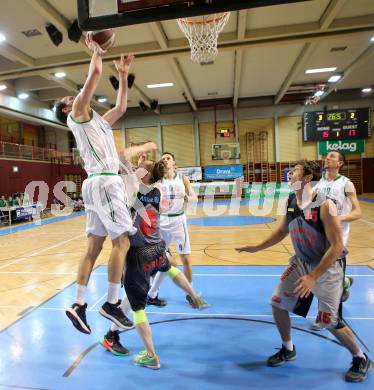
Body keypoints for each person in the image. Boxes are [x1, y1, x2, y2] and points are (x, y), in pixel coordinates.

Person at [236, 160, 373, 383]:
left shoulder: (324, 205)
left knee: (328, 320)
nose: (289, 174)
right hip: (301, 261)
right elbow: (281, 232)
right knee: (277, 302)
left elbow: (337, 246)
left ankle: (360, 357)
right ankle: (288, 348)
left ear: (308, 178)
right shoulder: (291, 200)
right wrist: (256, 248)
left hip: (327, 265)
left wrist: (313, 276)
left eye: (295, 171)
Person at [55, 33, 137, 334]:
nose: (72, 97)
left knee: (93, 247)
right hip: (105, 182)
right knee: (122, 242)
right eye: (67, 99)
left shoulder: (97, 121)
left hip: (95, 183)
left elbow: (121, 108)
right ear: (66, 109)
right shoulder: (77, 112)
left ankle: (78, 304)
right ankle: (112, 303)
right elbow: (95, 73)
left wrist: (124, 76)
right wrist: (96, 50)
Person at [100, 159, 207, 369]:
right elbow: (136, 178)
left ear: (146, 172)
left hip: (139, 254)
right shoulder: (157, 189)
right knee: (168, 269)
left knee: (136, 306)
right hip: (156, 247)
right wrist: (139, 166)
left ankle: (147, 353)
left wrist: (132, 165)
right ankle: (195, 297)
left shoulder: (135, 187)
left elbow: (124, 167)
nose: (137, 165)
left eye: (142, 165)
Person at [310, 151, 361, 330]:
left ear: (340, 163)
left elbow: (357, 212)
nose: (327, 158)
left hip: (337, 238)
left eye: (332, 156)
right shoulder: (319, 183)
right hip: (319, 238)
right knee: (320, 276)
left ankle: (331, 316)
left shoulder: (346, 183)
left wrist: (337, 219)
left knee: (330, 279)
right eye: (327, 156)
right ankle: (345, 283)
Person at [146, 151, 198, 307]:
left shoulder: (183, 179)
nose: (165, 160)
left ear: (174, 163)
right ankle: (152, 294)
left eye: (168, 158)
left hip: (178, 221)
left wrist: (187, 197)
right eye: (163, 159)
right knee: (162, 260)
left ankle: (189, 293)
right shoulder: (157, 181)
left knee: (186, 259)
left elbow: (195, 199)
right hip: (161, 223)